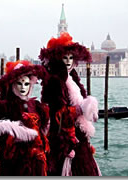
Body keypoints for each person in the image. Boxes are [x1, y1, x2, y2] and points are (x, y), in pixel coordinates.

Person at [39, 32, 102, 176]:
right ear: (57, 59)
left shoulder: (71, 77)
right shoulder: (55, 80)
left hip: (77, 135)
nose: (68, 61)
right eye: (64, 57)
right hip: (64, 139)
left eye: (71, 57)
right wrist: (81, 109)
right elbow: (56, 115)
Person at [0, 60, 50, 176]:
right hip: (15, 161)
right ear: (13, 84)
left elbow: (43, 131)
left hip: (37, 159)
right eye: (19, 83)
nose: (23, 87)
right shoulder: (4, 106)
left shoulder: (36, 105)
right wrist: (17, 136)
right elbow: (0, 138)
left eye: (26, 84)